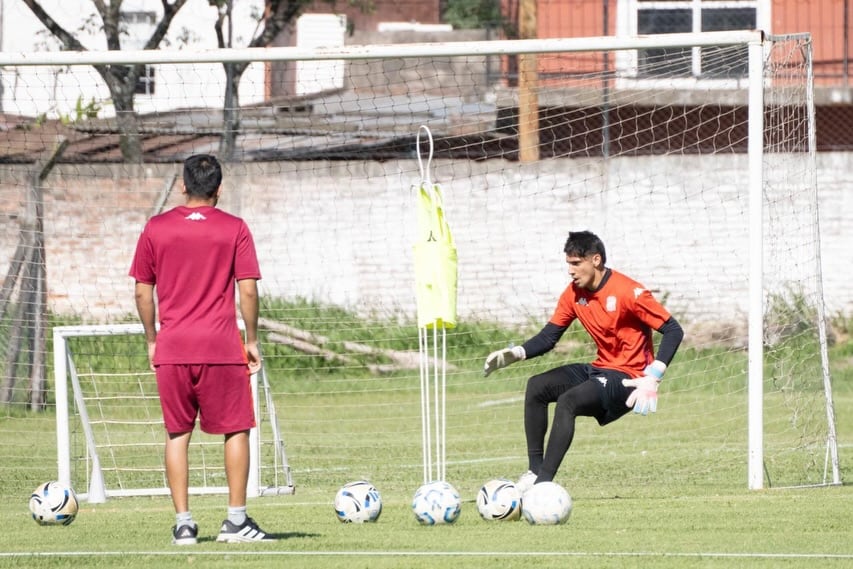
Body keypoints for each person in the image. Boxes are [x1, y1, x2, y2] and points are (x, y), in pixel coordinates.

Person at [129, 154, 274, 545]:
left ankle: (184, 525)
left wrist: (152, 339)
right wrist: (253, 339)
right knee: (236, 430)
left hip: (173, 348)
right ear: (219, 189)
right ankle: (236, 521)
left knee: (177, 434)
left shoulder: (155, 229)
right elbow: (247, 288)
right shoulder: (235, 228)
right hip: (221, 346)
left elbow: (143, 290)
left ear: (182, 185)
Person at [483, 230, 684, 491]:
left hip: (628, 378)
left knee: (568, 402)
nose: (570, 270)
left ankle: (543, 487)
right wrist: (517, 353)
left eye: (576, 263)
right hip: (601, 367)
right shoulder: (573, 294)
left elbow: (674, 330)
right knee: (537, 387)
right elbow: (549, 337)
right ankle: (534, 472)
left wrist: (653, 376)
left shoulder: (628, 292)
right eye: (568, 263)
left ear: (596, 260)